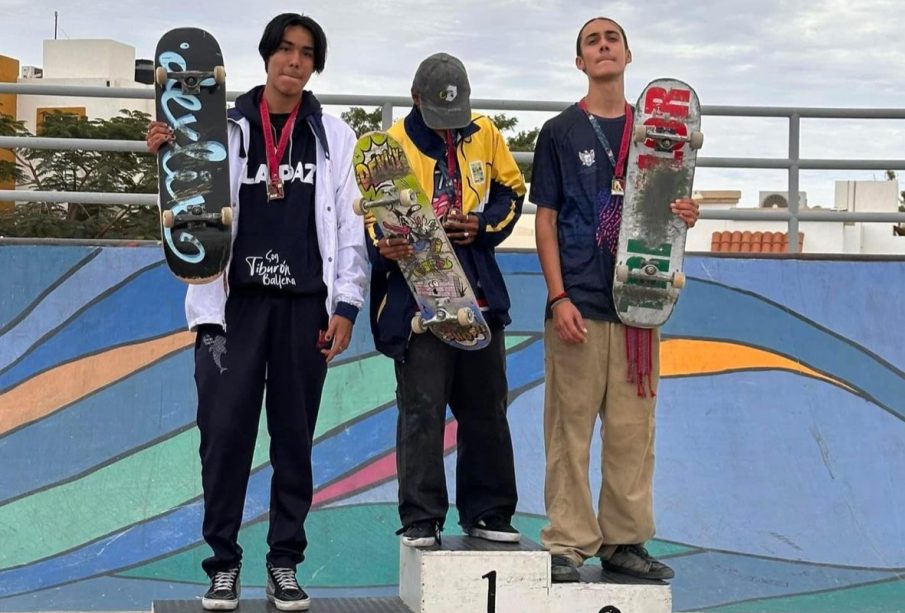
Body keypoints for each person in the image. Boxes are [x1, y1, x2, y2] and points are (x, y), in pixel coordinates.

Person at [146, 13, 368, 611]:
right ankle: (222, 564)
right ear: (267, 56)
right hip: (232, 310)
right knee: (223, 439)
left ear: (314, 64)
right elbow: (186, 209)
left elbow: (351, 228)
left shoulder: (334, 136)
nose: (294, 61)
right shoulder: (223, 127)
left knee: (294, 441)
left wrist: (346, 304)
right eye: (285, 50)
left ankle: (283, 562)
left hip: (303, 310)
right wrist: (167, 157)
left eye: (306, 53)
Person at [529, 17, 700, 583]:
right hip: (577, 302)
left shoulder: (659, 132)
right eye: (590, 42)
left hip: (638, 304)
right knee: (568, 432)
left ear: (629, 54)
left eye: (611, 40)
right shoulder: (558, 132)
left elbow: (667, 212)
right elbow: (546, 222)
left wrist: (686, 216)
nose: (602, 47)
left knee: (632, 433)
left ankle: (624, 541)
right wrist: (557, 297)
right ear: (580, 62)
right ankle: (567, 542)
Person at [366, 53, 526, 548]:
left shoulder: (486, 132)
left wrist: (482, 225)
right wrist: (384, 243)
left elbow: (512, 192)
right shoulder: (386, 147)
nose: (450, 128)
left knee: (486, 407)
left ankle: (489, 512)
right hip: (417, 294)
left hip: (477, 288)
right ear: (416, 99)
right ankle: (421, 517)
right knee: (422, 408)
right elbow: (373, 219)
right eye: (439, 116)